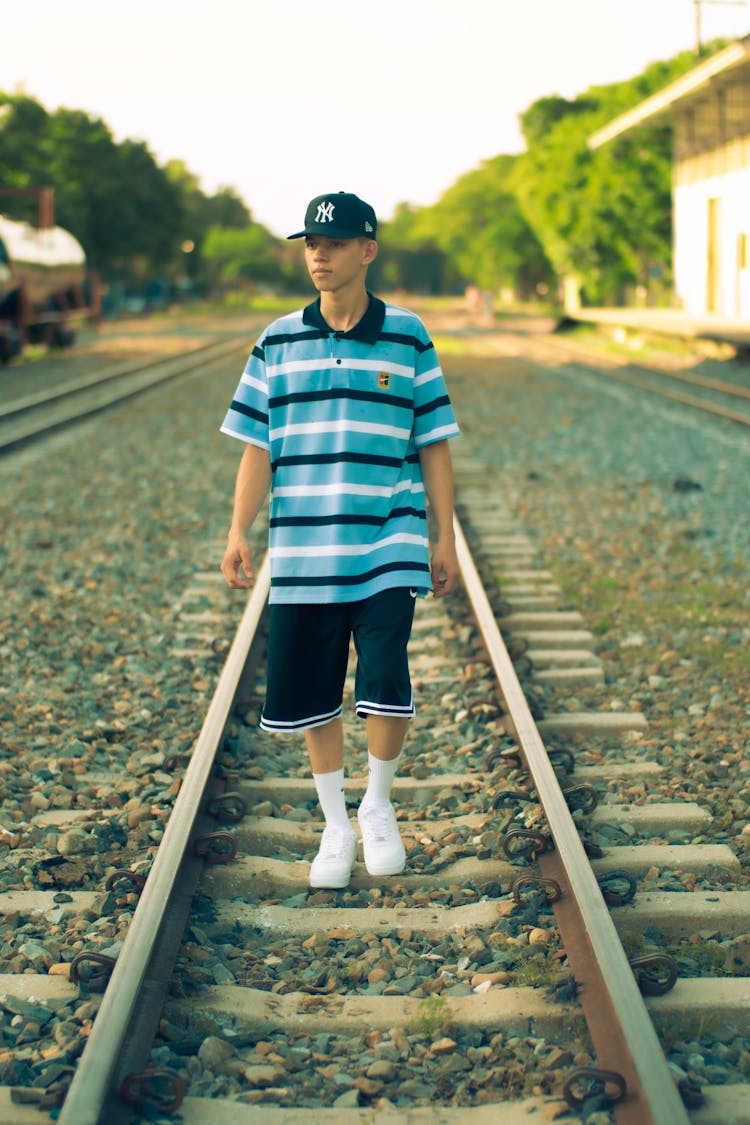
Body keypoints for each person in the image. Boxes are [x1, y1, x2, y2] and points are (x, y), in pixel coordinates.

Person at [220, 191, 460, 889]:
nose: (318, 255)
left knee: (385, 675)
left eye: (332, 243)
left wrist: (443, 538)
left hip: (389, 536)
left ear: (368, 249)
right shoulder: (277, 340)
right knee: (312, 692)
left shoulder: (409, 335)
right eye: (309, 244)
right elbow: (258, 447)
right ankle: (334, 824)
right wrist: (238, 529)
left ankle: (377, 804)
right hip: (301, 548)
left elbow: (435, 442)